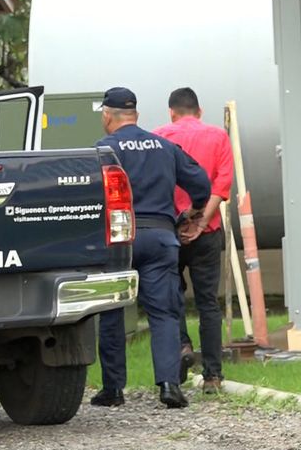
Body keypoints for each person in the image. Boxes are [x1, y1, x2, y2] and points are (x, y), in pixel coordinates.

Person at [90, 87, 211, 409]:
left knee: (113, 311)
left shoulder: (104, 149)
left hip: (120, 240)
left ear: (107, 115)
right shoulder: (164, 146)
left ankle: (113, 390)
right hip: (160, 238)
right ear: (136, 115)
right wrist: (193, 213)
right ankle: (170, 385)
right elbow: (201, 185)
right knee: (164, 313)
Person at [154, 87, 234, 393]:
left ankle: (183, 347)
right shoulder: (218, 137)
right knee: (208, 304)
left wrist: (180, 222)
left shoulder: (159, 137)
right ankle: (213, 376)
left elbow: (157, 183)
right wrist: (201, 222)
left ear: (171, 112)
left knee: (170, 297)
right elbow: (222, 183)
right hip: (208, 231)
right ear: (199, 112)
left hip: (170, 230)